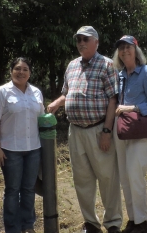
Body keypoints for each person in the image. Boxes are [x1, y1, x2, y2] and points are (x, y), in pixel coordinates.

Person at [47, 26, 122, 233]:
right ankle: (90, 223)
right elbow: (67, 94)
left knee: (108, 178)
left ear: (96, 42)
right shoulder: (72, 66)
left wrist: (107, 131)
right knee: (82, 179)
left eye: (85, 39)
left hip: (98, 129)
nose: (81, 42)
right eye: (78, 39)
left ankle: (113, 222)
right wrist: (56, 103)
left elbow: (112, 100)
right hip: (75, 131)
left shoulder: (107, 64)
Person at [111, 35, 147, 233]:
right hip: (122, 129)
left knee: (135, 174)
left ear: (136, 50)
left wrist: (131, 108)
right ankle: (133, 219)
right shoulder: (120, 74)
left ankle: (143, 221)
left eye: (128, 47)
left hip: (140, 129)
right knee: (125, 176)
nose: (125, 51)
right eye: (121, 48)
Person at [0, 58, 44, 233]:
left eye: (25, 69)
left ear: (30, 73)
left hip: (33, 148)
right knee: (12, 190)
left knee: (28, 189)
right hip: (10, 150)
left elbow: (41, 119)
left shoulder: (36, 92)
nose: (21, 72)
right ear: (11, 70)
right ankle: (12, 227)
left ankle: (28, 225)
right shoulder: (1, 92)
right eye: (18, 69)